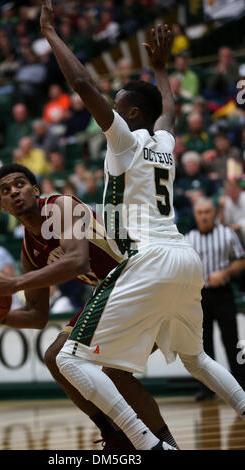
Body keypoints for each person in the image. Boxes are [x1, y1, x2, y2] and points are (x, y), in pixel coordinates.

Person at [36, 1, 245, 450]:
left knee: (68, 359)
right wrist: (161, 69)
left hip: (147, 258)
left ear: (129, 116)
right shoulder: (164, 142)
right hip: (184, 259)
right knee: (196, 357)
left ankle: (150, 446)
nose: (108, 110)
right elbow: (167, 107)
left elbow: (81, 82)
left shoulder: (126, 142)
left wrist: (51, 33)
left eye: (116, 106)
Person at [0, 163, 179, 450]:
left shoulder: (61, 206)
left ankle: (145, 440)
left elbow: (78, 261)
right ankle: (118, 435)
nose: (14, 191)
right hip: (110, 292)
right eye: (6, 190)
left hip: (136, 277)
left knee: (94, 366)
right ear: (3, 206)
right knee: (66, 360)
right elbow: (37, 315)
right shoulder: (29, 251)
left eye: (20, 184)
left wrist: (13, 284)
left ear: (35, 189)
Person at [186, 198, 245, 399]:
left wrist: (225, 273)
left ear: (214, 213)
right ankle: (207, 389)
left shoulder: (226, 234)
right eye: (200, 212)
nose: (204, 216)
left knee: (232, 341)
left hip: (223, 292)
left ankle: (242, 385)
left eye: (207, 212)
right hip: (198, 296)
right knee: (203, 344)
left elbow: (241, 260)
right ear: (195, 215)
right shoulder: (189, 238)